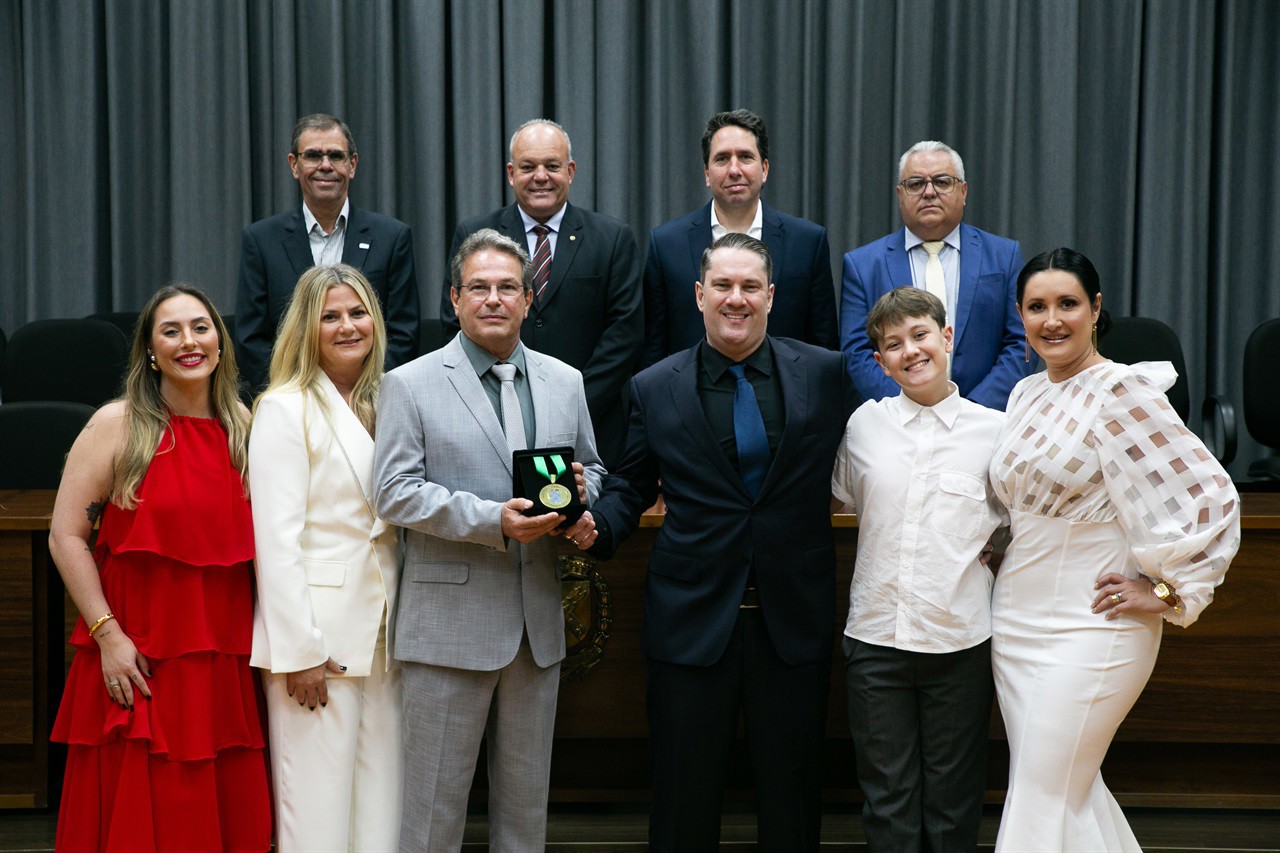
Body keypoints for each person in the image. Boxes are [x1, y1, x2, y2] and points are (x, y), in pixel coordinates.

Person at [589, 233, 856, 851]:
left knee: (791, 807)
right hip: (690, 624)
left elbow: (870, 460)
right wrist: (597, 526)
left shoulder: (823, 373)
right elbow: (630, 484)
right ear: (699, 295)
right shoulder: (654, 385)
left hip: (792, 623)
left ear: (771, 296)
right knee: (683, 805)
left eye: (750, 287)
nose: (737, 299)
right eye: (724, 287)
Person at [989, 248, 1240, 851]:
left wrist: (1167, 587)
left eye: (1068, 304)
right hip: (1016, 623)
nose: (1052, 320)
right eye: (1037, 307)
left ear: (1095, 309)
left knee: (1043, 793)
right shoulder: (1023, 393)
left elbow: (1211, 495)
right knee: (1067, 793)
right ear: (1020, 316)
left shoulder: (1124, 389)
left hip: (1095, 623)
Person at [373, 228, 604, 850]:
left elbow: (592, 467)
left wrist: (584, 504)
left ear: (530, 300)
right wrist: (489, 520)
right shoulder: (409, 383)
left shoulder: (565, 381)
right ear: (454, 298)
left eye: (509, 287)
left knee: (524, 821)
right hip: (448, 627)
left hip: (536, 630)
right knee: (431, 820)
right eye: (479, 287)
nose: (494, 299)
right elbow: (393, 492)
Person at [48, 285, 270, 851]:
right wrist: (108, 636)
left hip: (223, 658)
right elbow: (66, 536)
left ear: (220, 340)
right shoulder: (117, 424)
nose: (188, 341)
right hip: (139, 654)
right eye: (171, 331)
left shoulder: (243, 425)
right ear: (150, 351)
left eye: (200, 327)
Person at [831, 287, 1004, 852]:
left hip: (959, 641)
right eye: (893, 344)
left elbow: (1019, 524)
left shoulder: (996, 431)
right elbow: (840, 500)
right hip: (876, 640)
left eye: (920, 335)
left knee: (953, 804)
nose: (910, 351)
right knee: (887, 800)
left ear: (947, 337)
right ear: (879, 361)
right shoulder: (863, 426)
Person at [248, 264, 402, 852]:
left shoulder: (394, 397)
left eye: (358, 312)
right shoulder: (284, 408)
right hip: (317, 641)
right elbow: (276, 543)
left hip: (388, 633)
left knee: (380, 808)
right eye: (330, 316)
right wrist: (300, 650)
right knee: (314, 813)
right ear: (305, 329)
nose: (347, 326)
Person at [439, 119, 643, 468]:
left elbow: (625, 336)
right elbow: (455, 320)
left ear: (571, 170)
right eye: (528, 166)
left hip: (591, 424)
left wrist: (568, 406)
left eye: (552, 166)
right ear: (510, 172)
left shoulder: (612, 238)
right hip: (491, 420)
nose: (540, 176)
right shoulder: (475, 233)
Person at [840, 140, 1032, 409]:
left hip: (986, 421)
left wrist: (970, 412)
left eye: (942, 182)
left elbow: (1021, 343)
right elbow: (857, 354)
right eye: (916, 184)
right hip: (899, 427)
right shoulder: (863, 265)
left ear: (963, 191)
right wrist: (909, 409)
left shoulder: (1004, 255)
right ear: (900, 194)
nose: (929, 192)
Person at [237, 113, 420, 393]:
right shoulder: (261, 240)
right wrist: (295, 394)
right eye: (313, 156)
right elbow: (251, 339)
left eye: (335, 156)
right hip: (292, 401)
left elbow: (404, 334)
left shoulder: (392, 238)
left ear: (352, 165)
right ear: (294, 165)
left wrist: (365, 393)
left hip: (370, 403)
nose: (325, 166)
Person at [641, 109, 837, 368]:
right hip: (691, 401)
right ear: (707, 174)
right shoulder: (666, 244)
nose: (734, 169)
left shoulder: (807, 242)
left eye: (745, 157)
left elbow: (823, 347)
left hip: (786, 401)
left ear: (764, 169)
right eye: (722, 159)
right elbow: (652, 352)